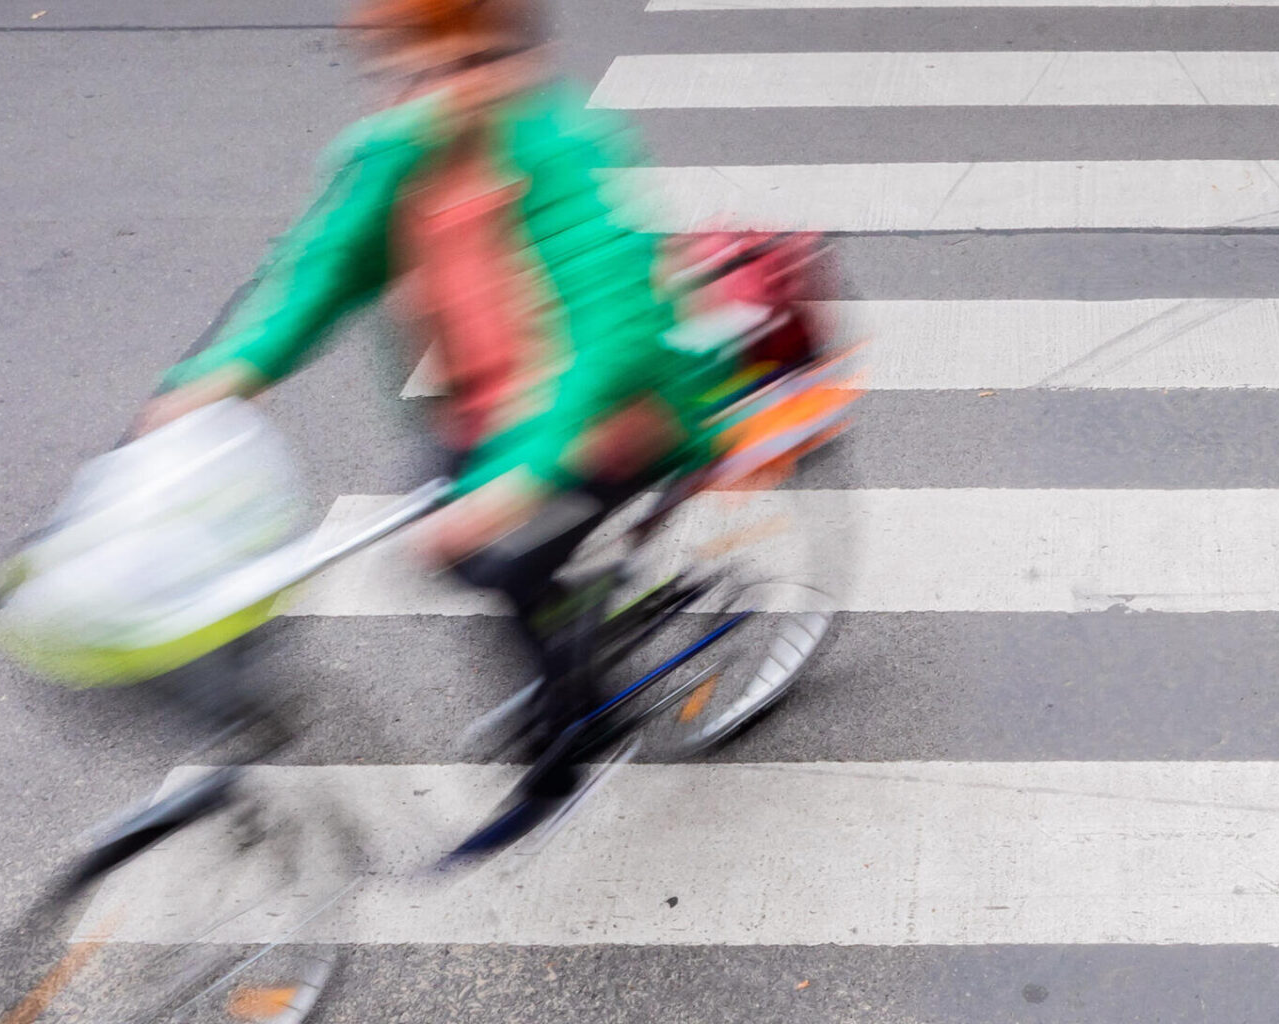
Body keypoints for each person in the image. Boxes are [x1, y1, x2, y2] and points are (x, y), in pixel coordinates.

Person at [134, 0, 799, 803]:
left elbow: (608, 334)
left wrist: (520, 481)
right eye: (417, 70)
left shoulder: (566, 153)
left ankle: (577, 722)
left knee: (504, 552)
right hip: (488, 413)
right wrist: (221, 377)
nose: (446, 92)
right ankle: (571, 642)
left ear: (520, 62)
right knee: (459, 546)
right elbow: (322, 274)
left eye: (473, 63)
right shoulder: (394, 158)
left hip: (614, 416)